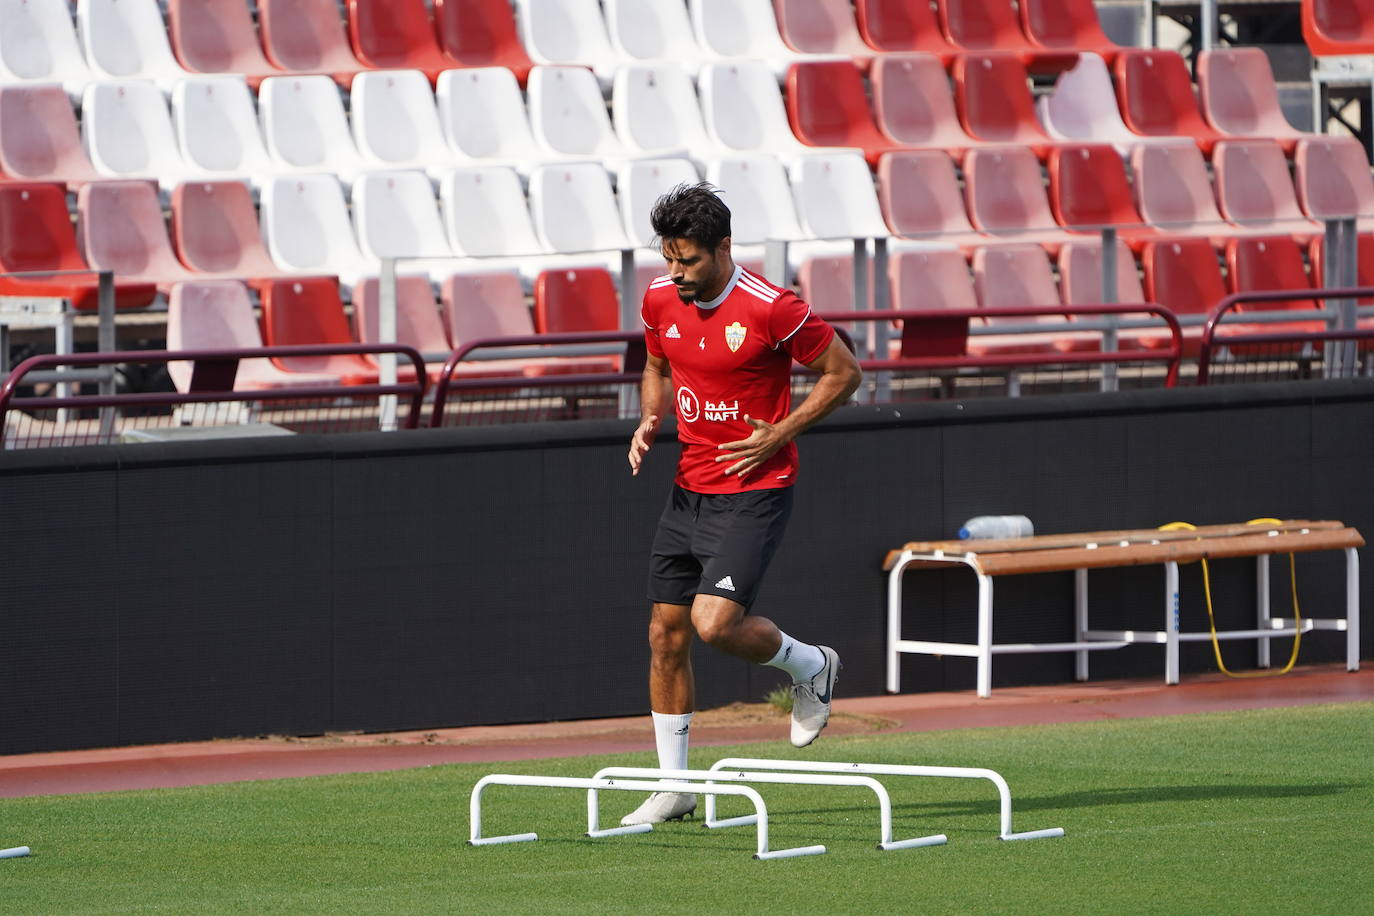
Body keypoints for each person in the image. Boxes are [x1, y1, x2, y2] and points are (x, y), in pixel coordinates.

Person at [622, 182, 863, 826]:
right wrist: (650, 416)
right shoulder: (659, 298)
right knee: (664, 635)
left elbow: (845, 374)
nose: (676, 273)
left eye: (689, 260)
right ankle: (675, 788)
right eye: (669, 259)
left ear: (723, 247)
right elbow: (656, 365)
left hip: (755, 489)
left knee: (714, 624)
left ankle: (812, 665)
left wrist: (780, 432)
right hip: (688, 488)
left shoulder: (773, 308)